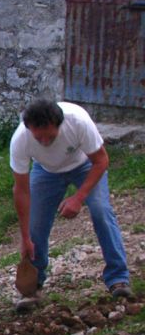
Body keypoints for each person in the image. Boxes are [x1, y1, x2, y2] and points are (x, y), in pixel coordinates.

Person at [10, 99, 131, 312]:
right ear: (29, 129)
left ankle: (118, 278)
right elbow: (21, 190)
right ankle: (32, 289)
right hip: (46, 171)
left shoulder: (78, 121)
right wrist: (25, 238)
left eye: (50, 135)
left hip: (84, 165)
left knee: (101, 211)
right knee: (35, 226)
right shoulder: (21, 139)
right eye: (39, 138)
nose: (45, 141)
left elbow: (101, 160)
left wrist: (78, 197)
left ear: (59, 124)